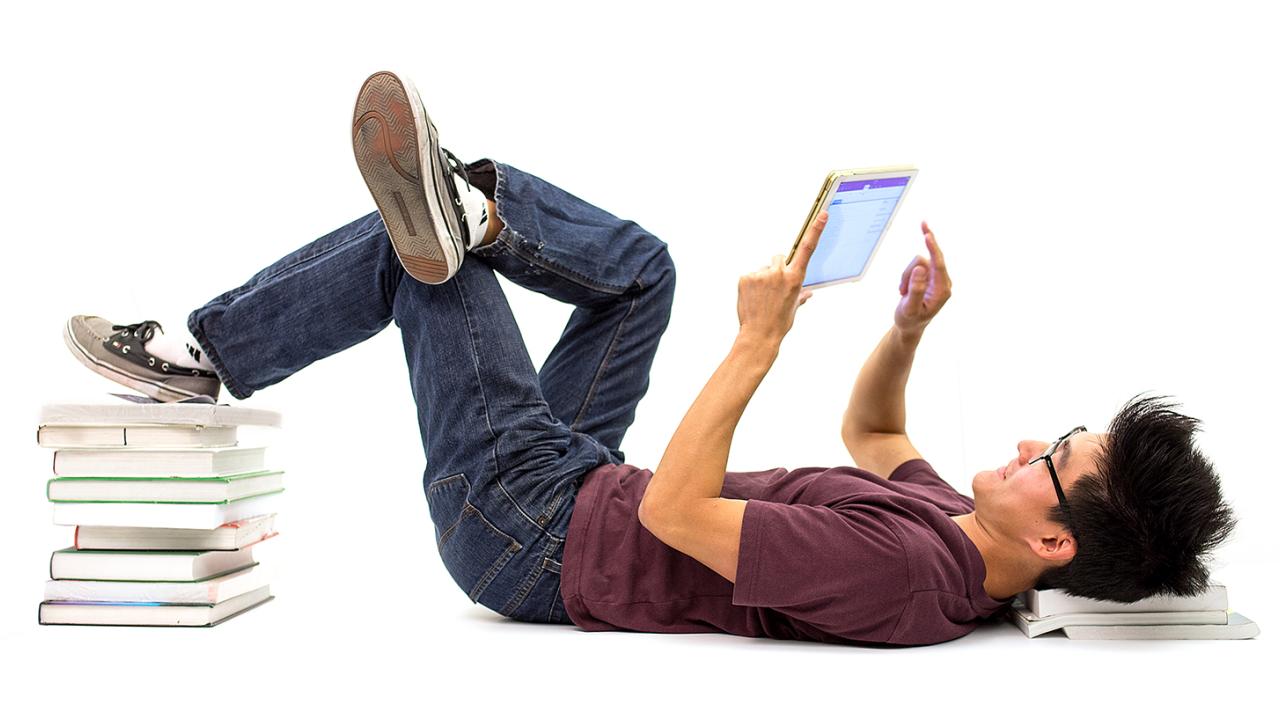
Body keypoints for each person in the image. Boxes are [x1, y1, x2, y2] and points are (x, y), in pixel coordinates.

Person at [63, 71, 1238, 646]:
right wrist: (907, 330)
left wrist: (757, 343)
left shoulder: (907, 580)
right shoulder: (954, 536)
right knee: (640, 271)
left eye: (1056, 462)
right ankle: (471, 207)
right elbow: (872, 438)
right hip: (578, 482)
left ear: (1050, 541)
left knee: (420, 266)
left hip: (525, 534)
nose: (1032, 442)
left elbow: (678, 513)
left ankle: (201, 351)